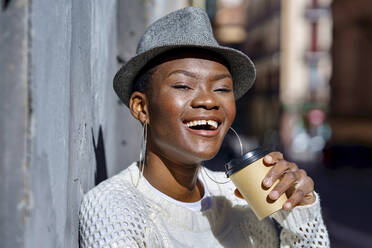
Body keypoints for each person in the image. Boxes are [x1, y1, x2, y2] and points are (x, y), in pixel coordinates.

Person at [79, 7, 329, 248]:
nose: (209, 101)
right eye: (183, 86)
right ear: (141, 107)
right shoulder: (115, 208)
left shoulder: (240, 199)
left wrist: (300, 212)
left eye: (222, 89)